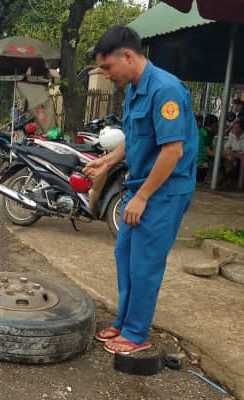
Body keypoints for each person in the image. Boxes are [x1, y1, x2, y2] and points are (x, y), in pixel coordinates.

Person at [83, 25, 197, 355]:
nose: (106, 75)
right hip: (141, 184)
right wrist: (108, 162)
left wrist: (144, 196)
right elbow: (136, 140)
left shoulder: (166, 91)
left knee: (145, 262)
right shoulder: (134, 87)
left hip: (164, 190)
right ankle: (125, 321)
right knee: (126, 255)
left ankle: (136, 333)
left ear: (128, 56)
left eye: (107, 67)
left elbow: (172, 151)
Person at [196, 114, 218, 184]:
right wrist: (225, 154)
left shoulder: (202, 130)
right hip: (200, 164)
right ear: (214, 125)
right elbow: (210, 153)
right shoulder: (206, 134)